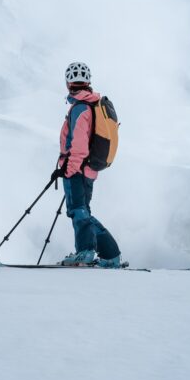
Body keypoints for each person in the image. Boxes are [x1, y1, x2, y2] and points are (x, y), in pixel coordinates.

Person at [51, 61, 123, 268]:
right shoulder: (91, 104)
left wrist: (69, 170)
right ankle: (111, 255)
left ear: (68, 84)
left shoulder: (80, 108)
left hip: (78, 169)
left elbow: (79, 146)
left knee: (78, 211)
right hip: (89, 169)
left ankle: (85, 252)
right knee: (83, 211)